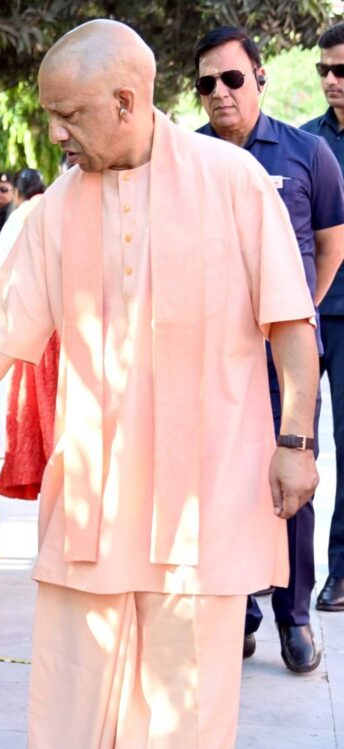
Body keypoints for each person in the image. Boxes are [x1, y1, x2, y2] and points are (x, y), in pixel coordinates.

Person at [0, 19, 321, 747]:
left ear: (125, 101)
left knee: (185, 714)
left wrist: (296, 443)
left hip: (203, 500)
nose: (55, 133)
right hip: (94, 505)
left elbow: (291, 324)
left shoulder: (233, 182)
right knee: (71, 709)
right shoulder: (53, 212)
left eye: (69, 114)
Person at [196, 26, 344, 672]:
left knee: (292, 481)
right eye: (206, 83)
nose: (220, 93)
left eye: (232, 78)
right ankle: (241, 614)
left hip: (288, 361)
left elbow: (332, 247)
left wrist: (293, 319)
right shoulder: (188, 159)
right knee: (224, 484)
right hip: (216, 360)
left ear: (260, 77)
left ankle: (295, 616)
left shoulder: (309, 153)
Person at [301, 22, 344, 614]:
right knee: (291, 444)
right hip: (305, 315)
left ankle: (341, 571)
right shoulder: (305, 142)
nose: (331, 80)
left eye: (342, 70)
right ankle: (278, 577)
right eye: (324, 70)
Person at [0, 168, 49, 459]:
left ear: (19, 193)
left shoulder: (20, 215)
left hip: (12, 312)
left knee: (10, 383)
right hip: (35, 314)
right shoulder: (46, 208)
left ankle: (12, 440)